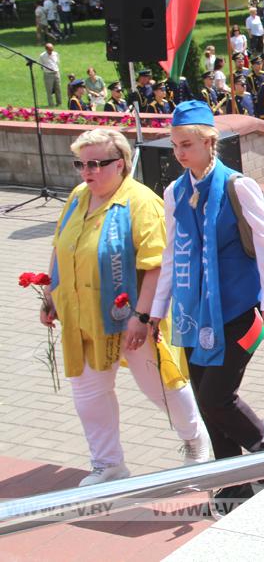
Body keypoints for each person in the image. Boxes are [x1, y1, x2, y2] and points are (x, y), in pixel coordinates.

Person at [42, 129, 210, 486]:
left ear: (120, 164)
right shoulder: (77, 197)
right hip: (84, 316)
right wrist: (50, 297)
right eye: (82, 164)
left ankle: (197, 443)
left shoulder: (140, 201)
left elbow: (156, 263)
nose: (88, 172)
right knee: (89, 393)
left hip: (135, 318)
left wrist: (143, 316)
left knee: (161, 388)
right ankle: (108, 464)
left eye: (97, 164)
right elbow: (60, 247)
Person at [150, 101, 264, 512]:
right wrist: (156, 309)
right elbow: (172, 254)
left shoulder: (237, 186)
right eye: (175, 146)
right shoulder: (176, 192)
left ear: (211, 141)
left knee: (215, 396)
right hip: (192, 314)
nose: (179, 153)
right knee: (211, 402)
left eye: (187, 144)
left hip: (239, 310)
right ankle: (234, 482)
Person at [39, 43, 61, 107]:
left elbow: (57, 62)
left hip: (56, 73)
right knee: (49, 90)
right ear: (46, 49)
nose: (51, 51)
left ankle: (59, 103)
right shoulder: (42, 56)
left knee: (58, 88)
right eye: (50, 50)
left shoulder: (56, 54)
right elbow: (40, 64)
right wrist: (46, 70)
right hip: (48, 74)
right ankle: (51, 104)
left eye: (52, 50)